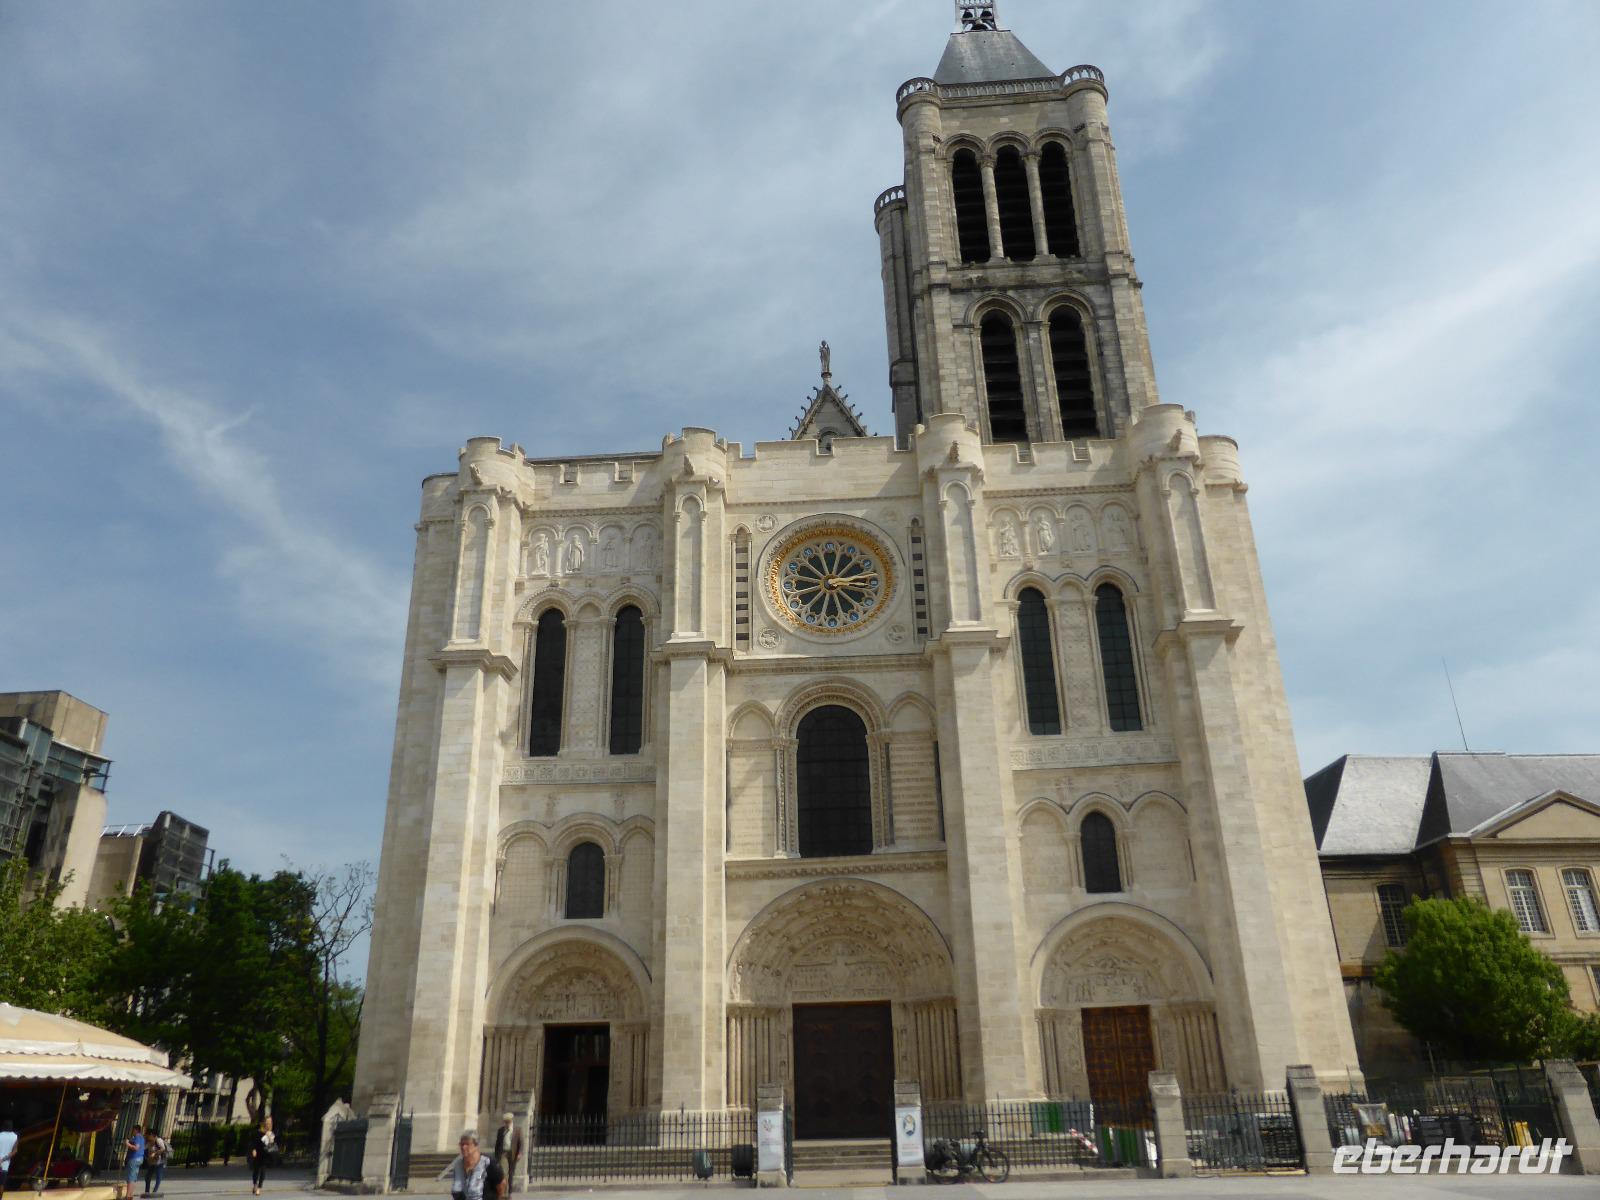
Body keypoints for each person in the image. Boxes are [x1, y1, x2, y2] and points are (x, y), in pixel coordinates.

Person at [438, 1131, 505, 1200]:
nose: (463, 1147)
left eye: (467, 1144)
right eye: (461, 1144)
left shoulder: (489, 1163)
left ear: (476, 1145)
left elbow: (501, 1185)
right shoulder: (458, 1165)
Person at [492, 1114, 522, 1192]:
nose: (507, 1123)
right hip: (503, 1153)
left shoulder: (517, 1130)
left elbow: (520, 1143)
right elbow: (497, 1144)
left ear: (512, 1120)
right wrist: (496, 1155)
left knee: (511, 1173)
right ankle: (504, 1191)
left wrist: (520, 1153)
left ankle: (510, 1190)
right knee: (504, 1172)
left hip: (513, 1153)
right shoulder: (501, 1130)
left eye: (508, 1121)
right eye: (505, 1122)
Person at [246, 1117, 275, 1196]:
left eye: (270, 1122)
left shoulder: (271, 1133)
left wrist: (269, 1137)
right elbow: (254, 1142)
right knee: (256, 1170)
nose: (268, 1124)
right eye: (267, 1122)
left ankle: (259, 1188)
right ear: (264, 1122)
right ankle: (255, 1184)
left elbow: (272, 1145)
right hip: (258, 1153)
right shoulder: (259, 1132)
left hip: (265, 1154)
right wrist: (253, 1149)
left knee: (263, 1171)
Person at [142, 1129, 167, 1196]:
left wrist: (155, 1153)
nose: (146, 1137)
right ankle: (147, 1191)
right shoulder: (149, 1141)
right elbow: (144, 1148)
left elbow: (163, 1149)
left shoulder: (158, 1140)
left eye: (147, 1135)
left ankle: (154, 1192)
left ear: (151, 1135)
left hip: (160, 1161)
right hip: (152, 1162)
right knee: (147, 1177)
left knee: (158, 1176)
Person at [124, 1125, 146, 1197]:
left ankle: (128, 1195)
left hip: (134, 1158)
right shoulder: (141, 1138)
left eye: (133, 1130)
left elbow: (136, 1148)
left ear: (136, 1130)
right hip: (139, 1158)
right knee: (134, 1177)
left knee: (130, 1178)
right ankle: (130, 1194)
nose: (132, 1131)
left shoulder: (137, 1137)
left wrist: (127, 1144)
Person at [0, 1118, 17, 1200]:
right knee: (1, 1184)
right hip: (5, 1165)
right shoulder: (15, 1137)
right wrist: (4, 1159)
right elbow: (15, 1151)